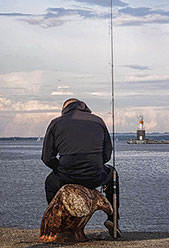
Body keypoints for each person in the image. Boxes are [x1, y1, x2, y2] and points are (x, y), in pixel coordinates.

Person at [42, 98, 121, 237]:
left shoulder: (56, 123)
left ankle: (58, 222)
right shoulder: (98, 121)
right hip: (94, 176)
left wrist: (60, 168)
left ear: (64, 109)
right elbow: (107, 154)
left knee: (50, 183)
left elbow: (47, 157)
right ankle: (113, 220)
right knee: (112, 174)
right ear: (84, 107)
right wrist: (95, 165)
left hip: (66, 176)